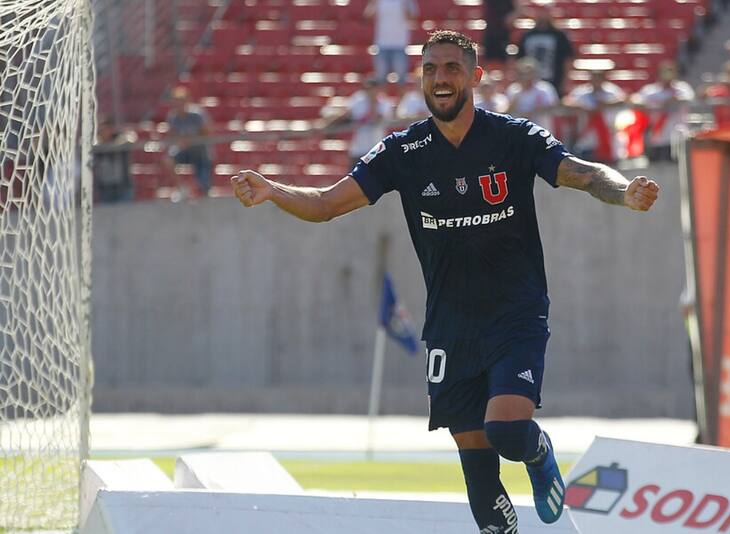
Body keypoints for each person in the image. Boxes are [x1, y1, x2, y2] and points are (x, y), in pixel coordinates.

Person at [231, 30, 659, 532]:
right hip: (450, 325)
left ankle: (538, 450)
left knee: (506, 430)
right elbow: (326, 205)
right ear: (420, 79)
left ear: (474, 77)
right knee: (479, 474)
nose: (441, 78)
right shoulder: (403, 151)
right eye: (431, 69)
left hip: (514, 314)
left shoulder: (512, 137)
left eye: (452, 68)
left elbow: (582, 173)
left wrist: (624, 189)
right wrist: (271, 190)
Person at [630, 60, 695, 161]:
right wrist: (652, 105)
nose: (667, 75)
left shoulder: (682, 88)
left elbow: (689, 98)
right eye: (665, 72)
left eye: (670, 71)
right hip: (657, 135)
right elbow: (635, 101)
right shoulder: (651, 90)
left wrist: (672, 100)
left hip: (677, 135)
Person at [323, 77, 394, 167]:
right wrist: (330, 124)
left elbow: (377, 119)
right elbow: (346, 114)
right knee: (355, 177)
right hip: (358, 148)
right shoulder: (358, 100)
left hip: (376, 148)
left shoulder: (384, 103)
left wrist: (373, 103)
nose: (370, 92)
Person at [162, 86, 213, 201]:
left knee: (204, 182)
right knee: (168, 159)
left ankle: (205, 199)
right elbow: (172, 135)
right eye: (176, 102)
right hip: (184, 150)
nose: (178, 105)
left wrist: (192, 140)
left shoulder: (197, 115)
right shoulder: (173, 117)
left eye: (181, 101)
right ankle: (181, 187)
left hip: (200, 152)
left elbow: (208, 133)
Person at [563, 70, 627, 162]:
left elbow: (623, 100)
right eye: (594, 78)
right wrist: (582, 107)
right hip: (588, 132)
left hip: (608, 133)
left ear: (603, 79)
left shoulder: (611, 90)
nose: (596, 81)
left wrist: (605, 105)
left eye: (598, 78)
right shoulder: (582, 91)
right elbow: (566, 101)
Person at [517, 5, 575, 96]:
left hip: (554, 80)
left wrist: (565, 81)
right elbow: (520, 60)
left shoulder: (559, 35)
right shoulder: (528, 35)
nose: (543, 14)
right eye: (540, 11)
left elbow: (567, 59)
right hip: (530, 83)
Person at [365, 0, 419, 84]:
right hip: (382, 45)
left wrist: (405, 6)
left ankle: (401, 97)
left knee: (401, 80)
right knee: (380, 80)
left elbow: (412, 16)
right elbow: (368, 15)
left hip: (400, 45)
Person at [505, 58, 559, 131]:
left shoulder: (545, 88)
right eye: (523, 73)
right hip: (519, 131)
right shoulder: (513, 89)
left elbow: (554, 108)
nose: (527, 76)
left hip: (541, 130)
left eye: (530, 73)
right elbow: (507, 111)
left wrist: (534, 111)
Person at [94, 117, 136, 202]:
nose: (103, 132)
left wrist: (115, 146)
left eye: (105, 129)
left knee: (125, 212)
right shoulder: (97, 144)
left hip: (122, 187)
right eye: (101, 129)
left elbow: (131, 138)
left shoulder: (120, 139)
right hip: (105, 188)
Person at [482, 0, 521, 66]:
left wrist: (512, 16)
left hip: (504, 34)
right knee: (489, 62)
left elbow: (518, 9)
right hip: (490, 32)